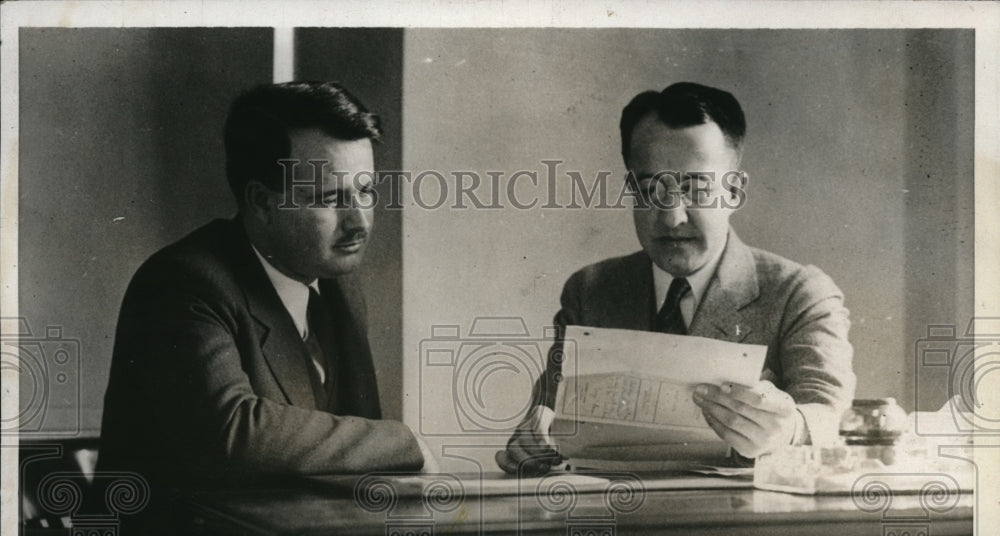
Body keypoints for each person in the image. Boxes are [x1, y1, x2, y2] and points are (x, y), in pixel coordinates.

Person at [498, 82, 856, 474]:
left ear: (735, 192)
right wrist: (532, 444)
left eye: (697, 189)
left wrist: (791, 429)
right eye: (652, 190)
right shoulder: (591, 292)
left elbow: (831, 418)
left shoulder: (799, 294)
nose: (672, 217)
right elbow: (547, 418)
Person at [99, 81, 433, 485]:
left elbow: (351, 456)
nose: (358, 221)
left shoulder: (336, 288)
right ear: (261, 202)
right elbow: (233, 431)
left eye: (365, 192)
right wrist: (404, 442)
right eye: (330, 199)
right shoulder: (182, 283)